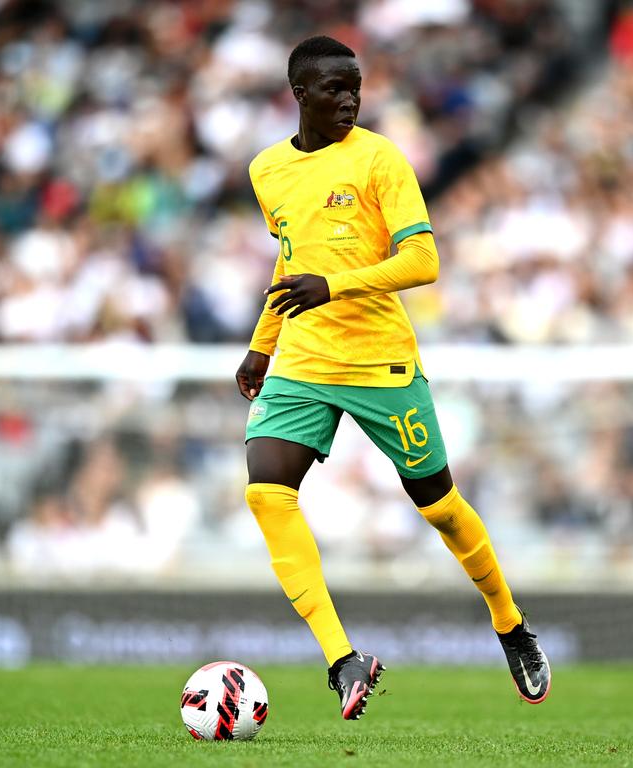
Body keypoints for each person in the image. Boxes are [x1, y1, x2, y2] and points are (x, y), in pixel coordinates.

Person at [235, 35, 550, 720]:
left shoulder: (380, 158)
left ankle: (510, 623)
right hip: (304, 360)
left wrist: (335, 286)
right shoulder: (267, 170)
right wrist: (263, 343)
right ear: (299, 94)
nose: (349, 98)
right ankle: (342, 659)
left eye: (356, 86)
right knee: (266, 492)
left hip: (381, 360)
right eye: (333, 88)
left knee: (438, 505)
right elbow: (291, 261)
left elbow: (424, 260)